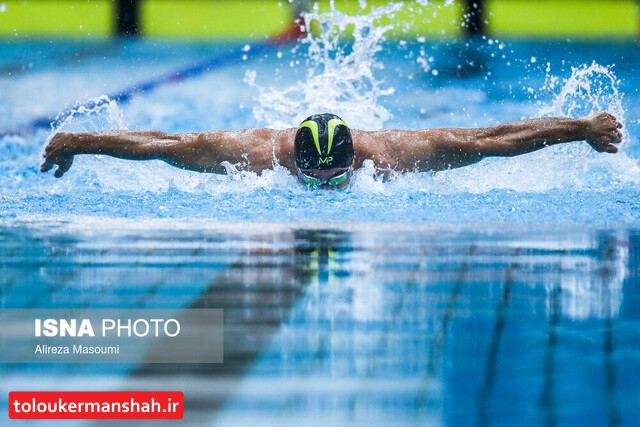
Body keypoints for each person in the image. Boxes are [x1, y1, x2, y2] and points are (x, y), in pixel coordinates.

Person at [41, 111, 623, 189]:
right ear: (293, 158)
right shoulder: (256, 154)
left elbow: (490, 141)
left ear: (356, 160)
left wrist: (580, 128)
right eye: (311, 173)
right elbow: (163, 145)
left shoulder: (393, 154)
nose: (324, 183)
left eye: (335, 174)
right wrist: (79, 140)